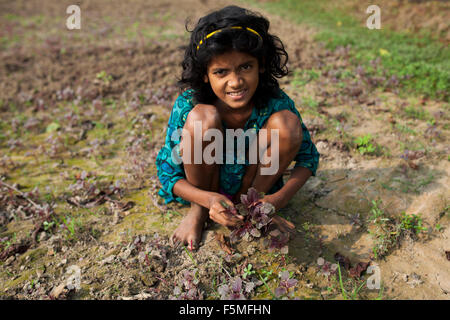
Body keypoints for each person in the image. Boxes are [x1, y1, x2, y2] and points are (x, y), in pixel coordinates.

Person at [155, 5, 319, 249]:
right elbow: (167, 172)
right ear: (204, 75)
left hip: (255, 185)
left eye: (245, 67)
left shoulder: (275, 103)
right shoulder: (189, 105)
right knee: (203, 119)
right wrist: (207, 199)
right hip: (205, 187)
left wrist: (277, 200)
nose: (236, 81)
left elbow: (308, 159)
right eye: (221, 72)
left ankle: (253, 210)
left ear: (261, 65)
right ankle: (197, 213)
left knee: (286, 124)